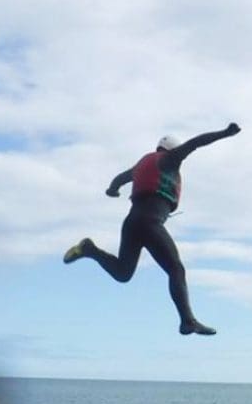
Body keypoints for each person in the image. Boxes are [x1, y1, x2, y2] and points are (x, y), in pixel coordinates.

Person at [63, 123, 241, 336]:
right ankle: (188, 321)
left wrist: (113, 190)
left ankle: (89, 249)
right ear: (172, 150)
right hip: (150, 222)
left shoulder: (140, 165)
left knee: (122, 273)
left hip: (132, 223)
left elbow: (119, 179)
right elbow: (196, 143)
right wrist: (225, 133)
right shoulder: (170, 160)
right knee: (176, 269)